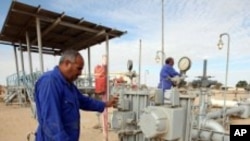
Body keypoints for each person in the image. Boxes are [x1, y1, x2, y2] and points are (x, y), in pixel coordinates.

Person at [34, 50, 117, 141]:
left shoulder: (68, 85)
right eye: (79, 68)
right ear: (67, 63)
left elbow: (84, 101)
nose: (80, 73)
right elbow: (51, 123)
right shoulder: (50, 82)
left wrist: (105, 104)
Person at [92, 55, 107, 129]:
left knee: (101, 107)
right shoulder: (102, 69)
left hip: (100, 91)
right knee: (100, 108)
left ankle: (101, 124)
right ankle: (100, 124)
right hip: (101, 91)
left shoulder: (99, 70)